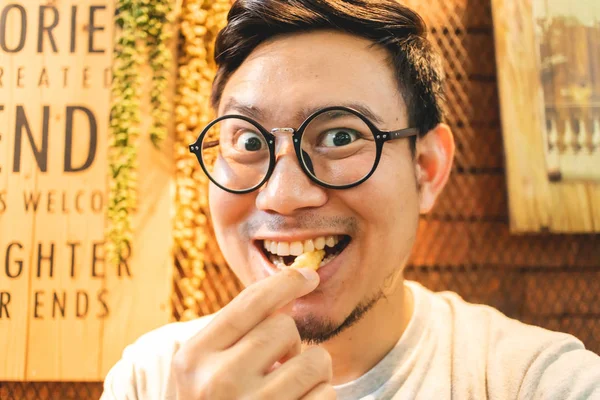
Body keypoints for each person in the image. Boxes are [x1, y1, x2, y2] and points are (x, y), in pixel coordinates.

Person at [101, 0, 600, 399]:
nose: (283, 196)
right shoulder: (149, 380)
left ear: (426, 168)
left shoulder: (536, 381)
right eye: (249, 142)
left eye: (340, 137)